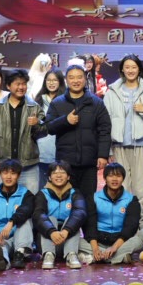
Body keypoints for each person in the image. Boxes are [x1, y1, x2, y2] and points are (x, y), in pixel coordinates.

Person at [40, 64, 112, 196]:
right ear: (66, 80)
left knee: (88, 200)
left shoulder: (96, 103)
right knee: (66, 199)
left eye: (79, 77)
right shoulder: (57, 103)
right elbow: (48, 127)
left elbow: (105, 130)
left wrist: (103, 155)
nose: (76, 81)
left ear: (85, 79)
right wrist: (65, 120)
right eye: (71, 77)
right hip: (65, 164)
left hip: (89, 163)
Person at [105, 56, 143, 201]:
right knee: (121, 186)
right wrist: (108, 149)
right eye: (127, 67)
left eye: (134, 67)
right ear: (122, 70)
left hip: (142, 146)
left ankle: (140, 215)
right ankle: (124, 214)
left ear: (139, 69)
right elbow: (105, 123)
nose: (130, 70)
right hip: (119, 146)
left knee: (141, 188)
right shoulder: (112, 92)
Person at [0, 69, 43, 193]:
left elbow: (44, 132)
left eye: (24, 84)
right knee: (1, 201)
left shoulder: (34, 107)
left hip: (28, 167)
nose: (21, 87)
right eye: (17, 84)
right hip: (3, 165)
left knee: (30, 200)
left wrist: (37, 124)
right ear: (8, 86)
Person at [0, 158, 37, 270]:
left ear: (18, 175)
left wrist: (11, 222)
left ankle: (19, 253)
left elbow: (25, 210)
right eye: (5, 173)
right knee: (0, 247)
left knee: (25, 221)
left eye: (13, 173)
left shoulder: (26, 194)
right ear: (0, 174)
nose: (8, 177)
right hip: (1, 235)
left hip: (19, 234)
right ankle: (2, 261)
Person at [82, 160, 141, 263]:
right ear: (105, 178)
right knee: (76, 241)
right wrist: (95, 249)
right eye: (110, 176)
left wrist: (114, 247)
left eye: (118, 176)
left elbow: (131, 227)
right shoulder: (94, 198)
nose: (114, 179)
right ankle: (118, 257)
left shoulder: (131, 200)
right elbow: (90, 225)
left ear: (123, 178)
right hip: (98, 241)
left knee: (140, 240)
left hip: (121, 242)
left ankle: (101, 257)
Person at [36, 162, 88, 269]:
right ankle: (48, 255)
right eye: (55, 173)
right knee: (50, 218)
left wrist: (66, 230)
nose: (58, 175)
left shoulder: (75, 193)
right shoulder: (42, 194)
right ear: (49, 177)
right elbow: (38, 215)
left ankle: (71, 255)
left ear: (68, 177)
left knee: (73, 221)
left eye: (62, 172)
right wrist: (51, 232)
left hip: (68, 238)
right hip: (48, 240)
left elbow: (80, 212)